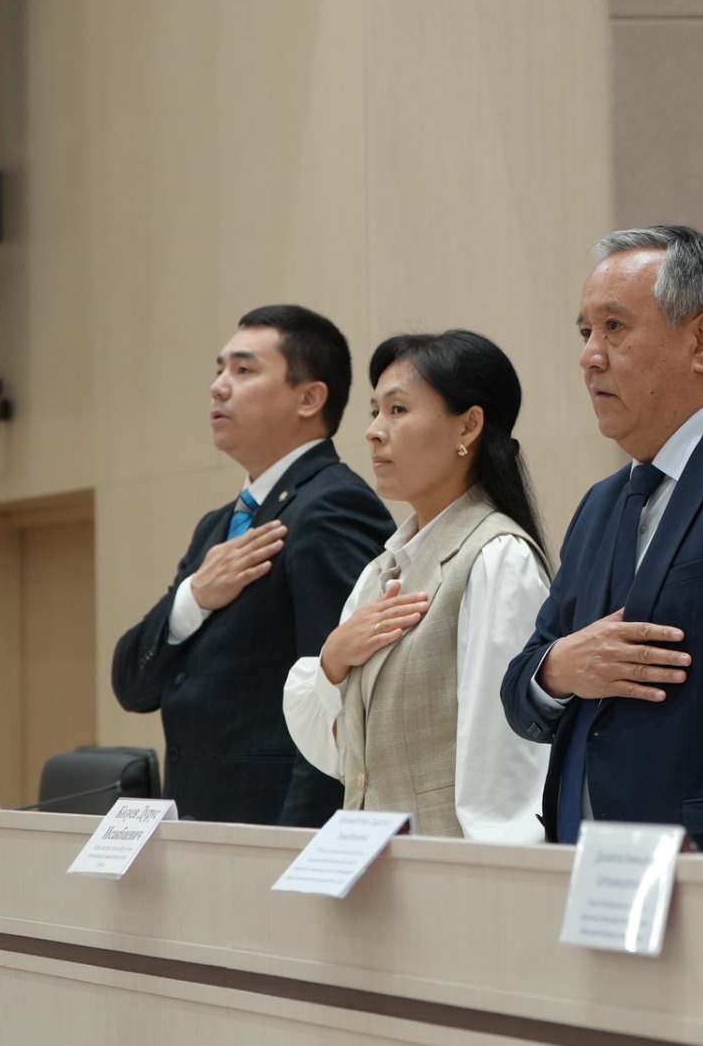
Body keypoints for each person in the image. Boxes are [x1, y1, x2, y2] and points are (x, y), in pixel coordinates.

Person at [499, 227, 703, 854]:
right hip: (583, 864)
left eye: (614, 328)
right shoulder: (599, 505)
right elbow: (521, 687)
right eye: (584, 332)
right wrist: (561, 668)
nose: (589, 356)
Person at [111, 305, 394, 825]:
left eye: (243, 370)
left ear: (309, 398)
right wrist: (193, 598)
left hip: (273, 833)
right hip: (201, 824)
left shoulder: (331, 506)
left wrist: (301, 845)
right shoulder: (218, 525)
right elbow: (133, 685)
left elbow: (344, 697)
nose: (219, 386)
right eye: (220, 369)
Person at [283, 330, 552, 842]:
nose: (373, 431)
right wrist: (332, 660)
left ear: (468, 426)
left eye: (398, 409)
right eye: (374, 411)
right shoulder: (379, 573)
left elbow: (506, 769)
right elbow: (344, 758)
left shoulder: (497, 557)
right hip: (374, 868)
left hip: (452, 874)